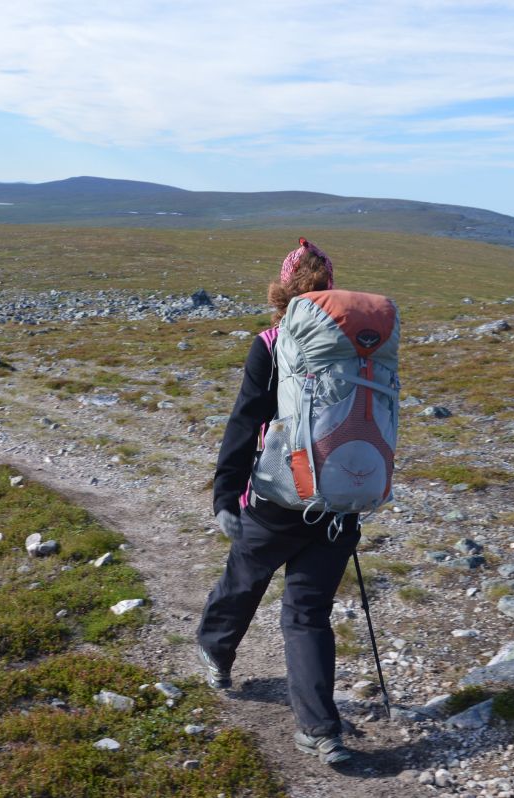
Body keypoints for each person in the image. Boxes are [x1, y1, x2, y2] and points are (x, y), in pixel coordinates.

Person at [196, 237, 361, 766]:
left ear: (283, 291)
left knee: (245, 578)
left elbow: (245, 422)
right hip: (338, 501)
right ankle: (320, 731)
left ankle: (216, 654)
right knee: (308, 613)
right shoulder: (358, 346)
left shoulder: (271, 343)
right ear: (331, 290)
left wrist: (226, 493)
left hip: (277, 496)